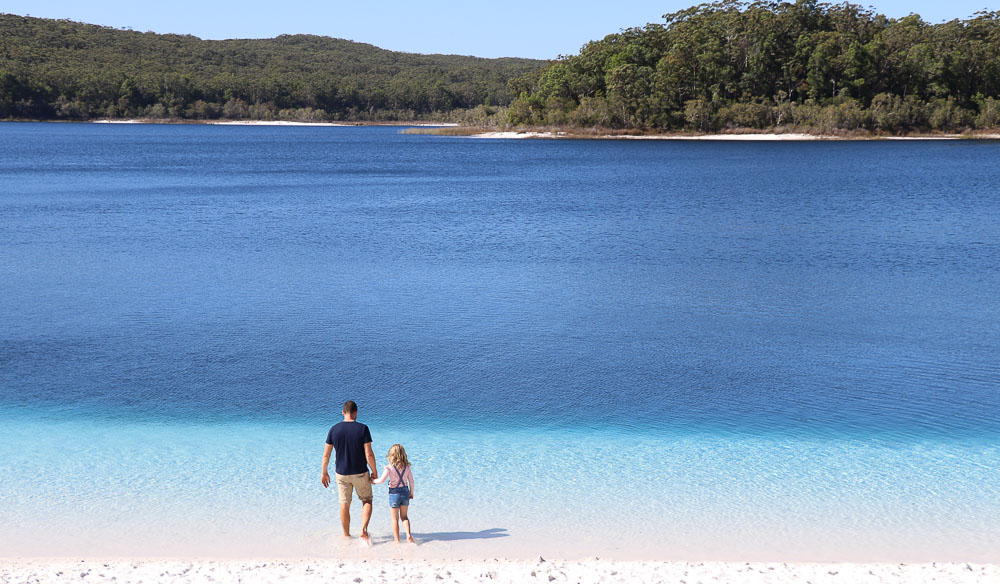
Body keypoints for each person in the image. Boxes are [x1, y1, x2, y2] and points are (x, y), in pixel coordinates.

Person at [321, 400, 378, 543]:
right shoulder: (363, 428)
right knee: (367, 500)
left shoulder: (333, 430)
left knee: (344, 504)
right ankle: (364, 530)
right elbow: (369, 454)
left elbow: (326, 455)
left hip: (341, 474)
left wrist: (324, 472)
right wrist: (374, 471)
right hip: (360, 472)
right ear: (356, 412)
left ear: (343, 412)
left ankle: (346, 536)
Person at [370, 443, 415, 543]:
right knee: (404, 517)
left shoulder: (389, 468)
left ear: (391, 455)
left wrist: (372, 481)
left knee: (395, 519)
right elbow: (411, 481)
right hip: (405, 492)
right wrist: (411, 492)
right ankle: (408, 535)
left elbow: (381, 480)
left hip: (394, 494)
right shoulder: (407, 467)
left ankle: (397, 540)